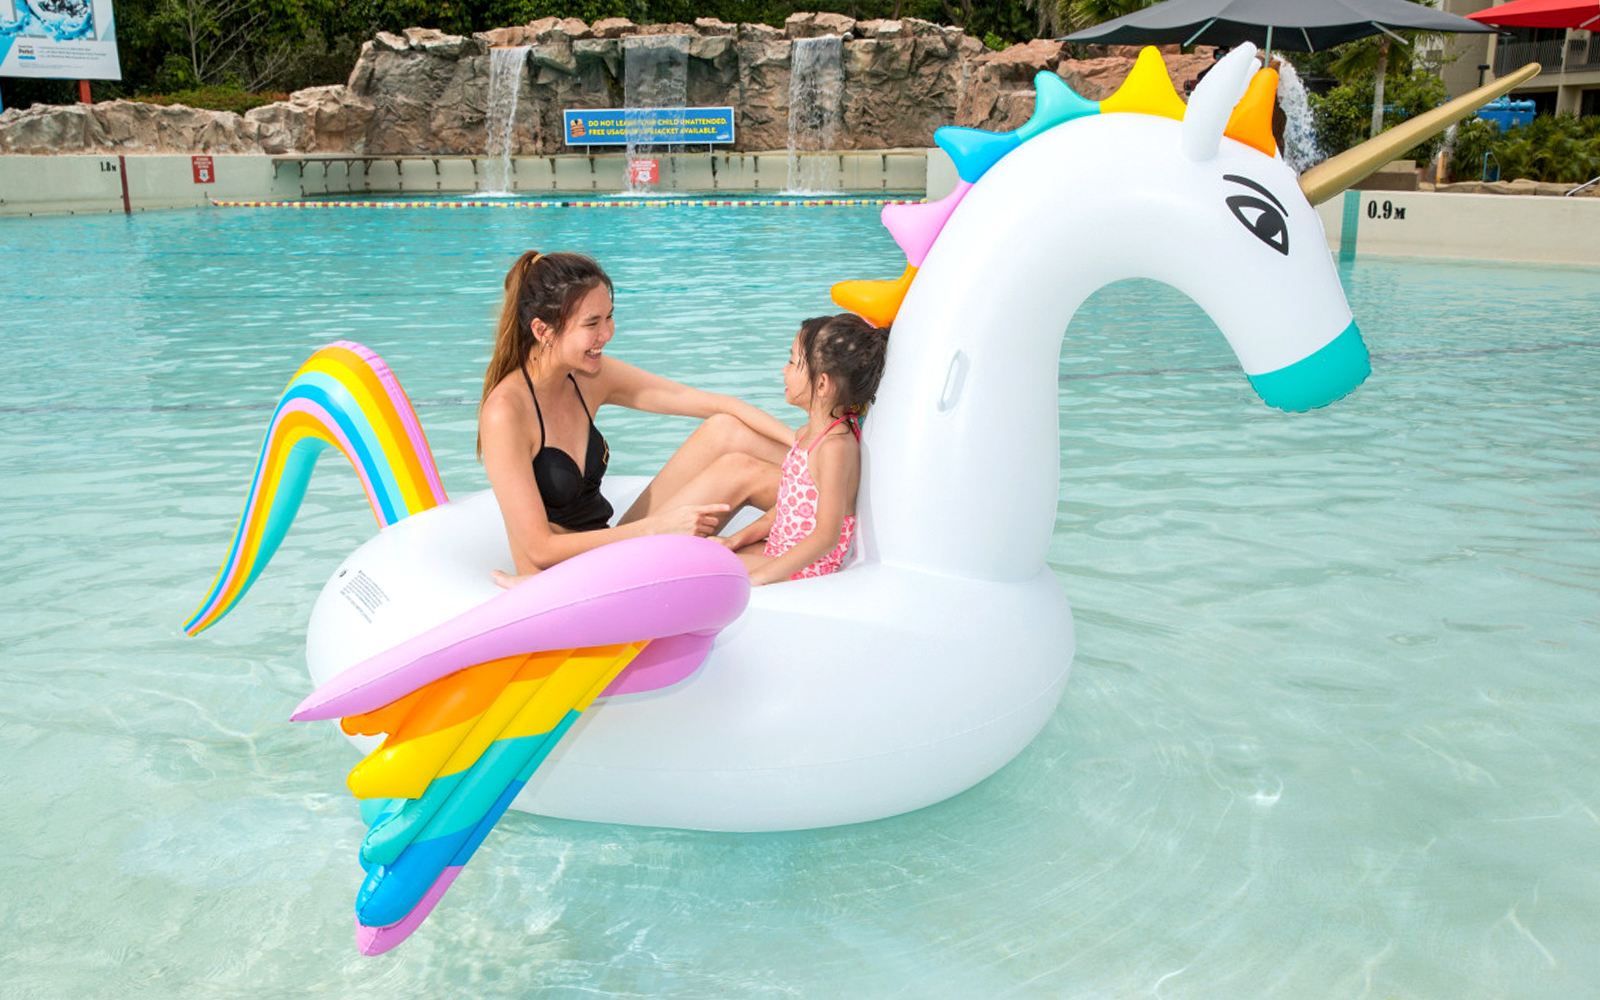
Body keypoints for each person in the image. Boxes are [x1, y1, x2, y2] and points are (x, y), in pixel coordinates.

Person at [478, 250, 793, 585]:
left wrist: (808, 443)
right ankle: (829, 510)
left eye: (609, 317)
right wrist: (659, 527)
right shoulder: (506, 412)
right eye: (592, 324)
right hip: (566, 579)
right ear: (543, 330)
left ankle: (831, 482)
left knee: (725, 429)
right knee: (747, 484)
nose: (607, 333)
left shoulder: (586, 376)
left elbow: (715, 404)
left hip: (613, 549)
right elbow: (539, 548)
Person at [659, 314, 890, 585]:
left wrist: (760, 577)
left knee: (691, 566)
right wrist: (735, 540)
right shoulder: (807, 435)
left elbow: (827, 536)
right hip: (780, 549)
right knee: (697, 551)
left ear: (822, 384)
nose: (784, 370)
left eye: (793, 362)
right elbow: (783, 509)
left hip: (809, 566)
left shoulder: (834, 448)